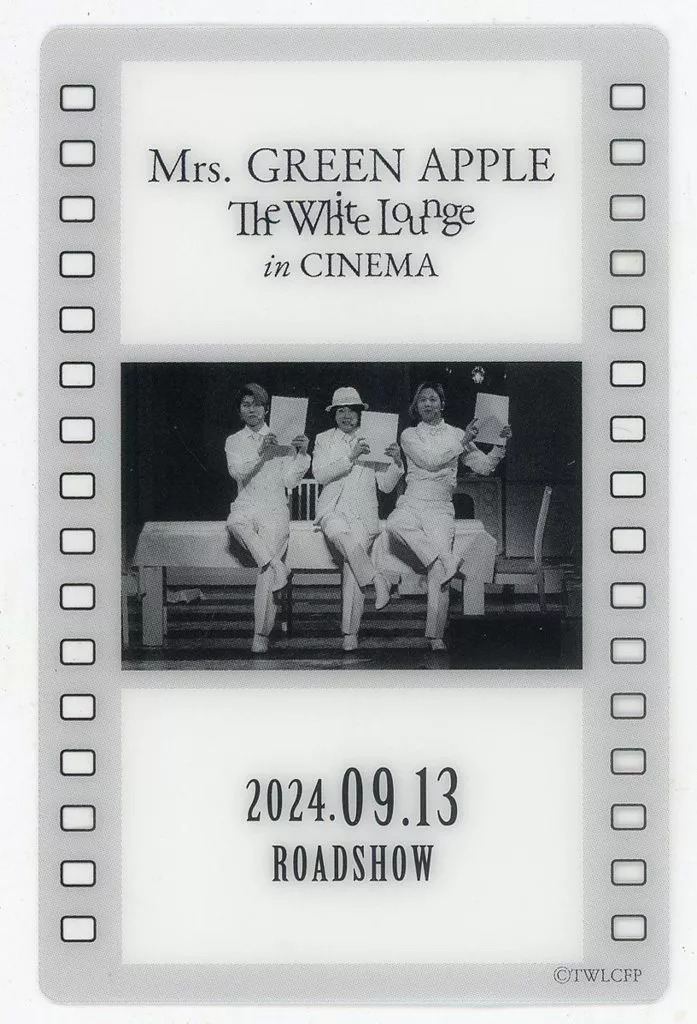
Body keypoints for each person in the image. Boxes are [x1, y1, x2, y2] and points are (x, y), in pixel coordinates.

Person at [384, 381, 510, 651]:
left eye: (433, 399)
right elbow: (429, 461)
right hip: (412, 502)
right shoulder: (409, 435)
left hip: (440, 507)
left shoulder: (456, 433)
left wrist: (500, 443)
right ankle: (444, 558)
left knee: (439, 572)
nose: (427, 404)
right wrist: (462, 442)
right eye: (422, 400)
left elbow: (485, 467)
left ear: (442, 404)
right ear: (416, 406)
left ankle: (435, 635)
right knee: (393, 525)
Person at [313, 386, 403, 651]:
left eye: (351, 411)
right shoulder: (323, 439)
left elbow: (385, 485)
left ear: (360, 413)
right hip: (332, 511)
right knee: (345, 540)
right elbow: (320, 475)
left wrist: (397, 462)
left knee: (352, 564)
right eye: (341, 411)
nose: (346, 416)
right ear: (333, 414)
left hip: (363, 516)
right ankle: (377, 579)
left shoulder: (373, 437)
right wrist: (350, 457)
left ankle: (350, 633)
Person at [225, 383, 310, 654]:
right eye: (246, 405)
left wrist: (301, 454)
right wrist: (260, 452)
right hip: (246, 505)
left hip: (274, 508)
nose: (252, 410)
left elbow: (289, 481)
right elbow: (237, 473)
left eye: (257, 404)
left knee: (265, 572)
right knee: (234, 523)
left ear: (266, 409)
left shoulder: (281, 437)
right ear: (240, 411)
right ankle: (276, 564)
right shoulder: (234, 441)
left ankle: (260, 634)